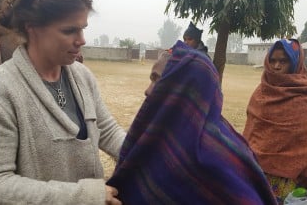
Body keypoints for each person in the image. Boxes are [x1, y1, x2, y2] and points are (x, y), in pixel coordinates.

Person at [0, 0, 125, 204]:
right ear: (32, 27)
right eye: (69, 30)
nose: (82, 40)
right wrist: (84, 196)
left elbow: (106, 131)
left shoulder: (83, 77)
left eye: (83, 28)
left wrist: (146, 152)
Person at [107, 40, 277, 205]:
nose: (147, 90)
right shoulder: (156, 139)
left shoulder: (214, 152)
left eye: (157, 80)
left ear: (182, 86)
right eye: (150, 79)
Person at [243, 39, 307, 204]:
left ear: (295, 62)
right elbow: (250, 134)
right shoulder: (260, 93)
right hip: (257, 178)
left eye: (283, 61)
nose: (276, 66)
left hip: (293, 187)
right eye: (273, 60)